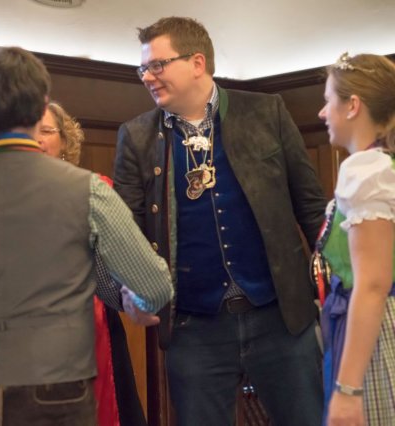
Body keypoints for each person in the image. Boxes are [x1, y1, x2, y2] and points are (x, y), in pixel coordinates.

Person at [0, 46, 173, 426]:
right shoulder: (89, 190)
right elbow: (155, 285)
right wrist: (141, 304)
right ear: (42, 106)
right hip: (61, 388)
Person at [113, 16, 327, 425]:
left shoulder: (266, 112)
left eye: (157, 65)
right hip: (193, 326)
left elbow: (312, 207)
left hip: (281, 317)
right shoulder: (136, 136)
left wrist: (337, 288)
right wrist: (127, 291)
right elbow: (125, 233)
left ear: (197, 62)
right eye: (142, 69)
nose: (147, 77)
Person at [37, 102, 148, 426]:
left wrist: (135, 294)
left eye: (47, 131)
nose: (38, 139)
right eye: (30, 131)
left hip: (92, 323)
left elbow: (121, 266)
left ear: (65, 140)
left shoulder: (95, 190)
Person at [316, 52, 395, 425]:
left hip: (376, 332)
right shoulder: (382, 166)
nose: (322, 112)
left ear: (353, 106)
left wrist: (348, 390)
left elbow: (373, 284)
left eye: (328, 100)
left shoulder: (367, 170)